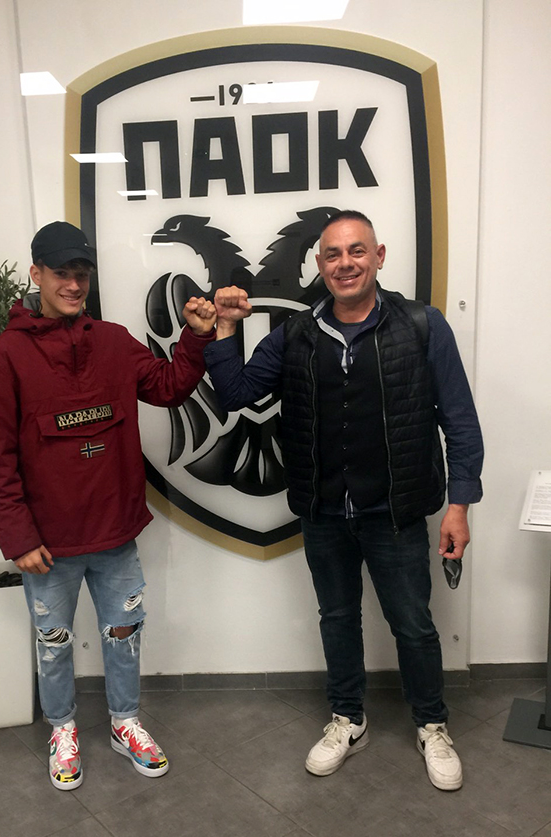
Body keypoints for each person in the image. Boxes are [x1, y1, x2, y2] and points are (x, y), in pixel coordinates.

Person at [204, 210, 483, 791]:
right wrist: (225, 329)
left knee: (413, 626)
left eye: (357, 250)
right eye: (333, 254)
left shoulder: (422, 326)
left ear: (378, 257)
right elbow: (236, 394)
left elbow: (459, 420)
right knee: (337, 619)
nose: (345, 263)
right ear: (319, 265)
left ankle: (432, 724)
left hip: (395, 512)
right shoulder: (296, 335)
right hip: (324, 512)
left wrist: (459, 504)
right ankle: (348, 719)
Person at [0, 221, 216, 790]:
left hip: (114, 534)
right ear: (35, 274)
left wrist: (197, 336)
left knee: (124, 634)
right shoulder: (2, 357)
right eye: (61, 273)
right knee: (53, 644)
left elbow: (168, 386)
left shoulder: (112, 341)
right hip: (47, 546)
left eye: (81, 274)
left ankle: (124, 722)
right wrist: (17, 537)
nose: (73, 284)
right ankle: (62, 729)